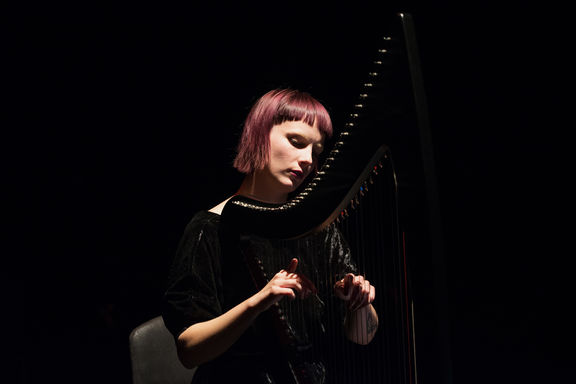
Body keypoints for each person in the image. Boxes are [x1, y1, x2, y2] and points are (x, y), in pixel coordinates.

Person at [162, 88, 378, 383]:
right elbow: (189, 351)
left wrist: (360, 302)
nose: (307, 161)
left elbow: (363, 337)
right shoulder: (209, 228)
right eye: (296, 142)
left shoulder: (318, 230)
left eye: (316, 153)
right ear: (259, 134)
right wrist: (260, 300)